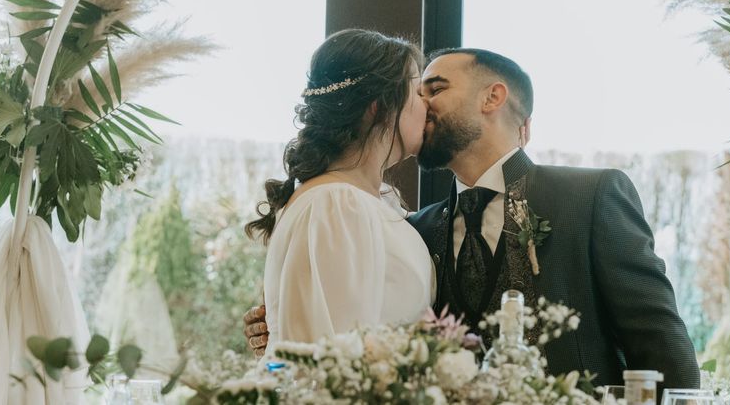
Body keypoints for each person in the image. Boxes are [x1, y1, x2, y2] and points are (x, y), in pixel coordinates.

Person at [245, 47, 699, 391]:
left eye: (435, 88)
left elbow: (660, 338)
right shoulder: (415, 228)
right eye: (416, 92)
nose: (420, 103)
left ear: (492, 97)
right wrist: (282, 323)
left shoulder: (590, 196)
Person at [246, 29, 433, 352]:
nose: (427, 103)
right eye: (417, 90)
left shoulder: (372, 201)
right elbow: (331, 359)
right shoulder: (335, 205)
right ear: (379, 107)